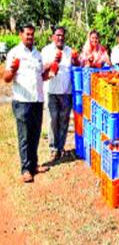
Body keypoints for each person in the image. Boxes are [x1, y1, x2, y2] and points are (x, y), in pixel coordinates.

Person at [3, 24, 50, 183]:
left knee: (35, 134)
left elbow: (41, 76)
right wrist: (14, 69)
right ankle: (25, 169)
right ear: (20, 35)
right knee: (24, 136)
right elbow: (6, 78)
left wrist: (49, 72)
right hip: (22, 101)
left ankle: (34, 164)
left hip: (37, 100)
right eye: (27, 34)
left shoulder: (37, 54)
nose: (30, 37)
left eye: (32, 34)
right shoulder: (14, 53)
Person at [41, 26, 78, 162]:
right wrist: (53, 62)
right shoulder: (46, 50)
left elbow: (75, 67)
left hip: (66, 92)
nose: (60, 38)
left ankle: (60, 147)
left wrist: (76, 59)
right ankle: (53, 148)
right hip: (51, 91)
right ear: (53, 37)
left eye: (62, 35)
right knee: (52, 120)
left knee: (64, 121)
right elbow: (42, 69)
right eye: (58, 35)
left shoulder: (69, 51)